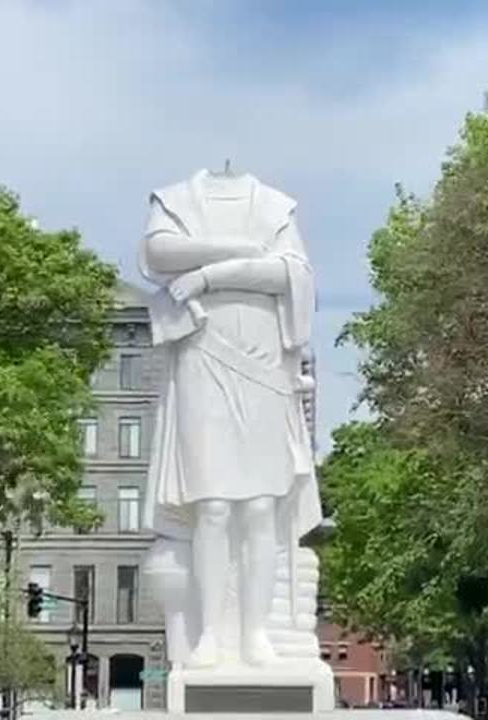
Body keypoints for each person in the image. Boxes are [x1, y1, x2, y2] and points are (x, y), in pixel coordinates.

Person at [139, 168, 321, 667]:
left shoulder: (275, 205)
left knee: (261, 506)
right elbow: (158, 254)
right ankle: (212, 635)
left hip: (262, 361)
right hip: (202, 354)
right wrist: (240, 249)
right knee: (213, 506)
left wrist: (206, 276)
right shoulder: (174, 198)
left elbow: (290, 273)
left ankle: (254, 633)